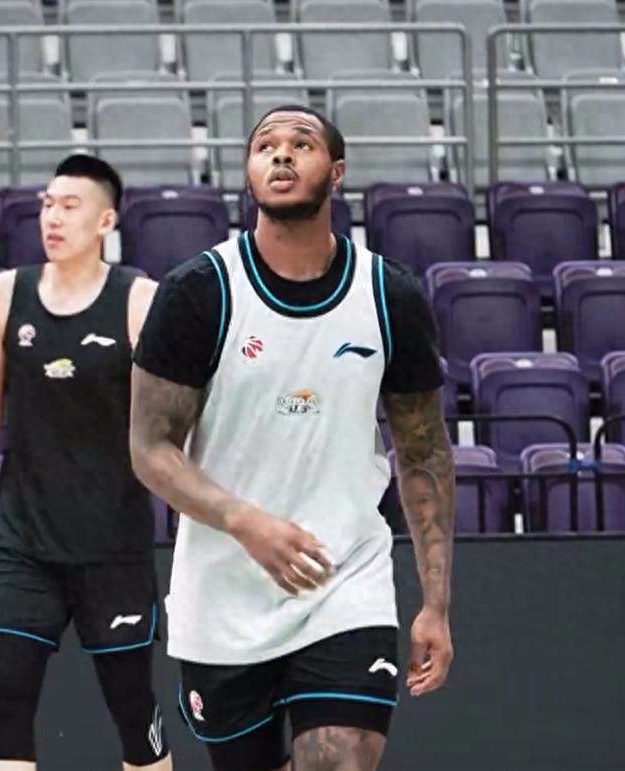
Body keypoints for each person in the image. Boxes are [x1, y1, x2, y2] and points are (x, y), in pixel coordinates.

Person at [130, 105, 455, 771]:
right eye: (265, 146)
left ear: (336, 172)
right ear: (248, 174)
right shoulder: (199, 292)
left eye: (300, 143)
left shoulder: (387, 294)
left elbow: (423, 452)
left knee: (336, 759)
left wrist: (435, 603)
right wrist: (245, 521)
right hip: (224, 592)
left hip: (344, 581)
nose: (280, 155)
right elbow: (149, 449)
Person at [0, 154, 173, 771]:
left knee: (134, 710)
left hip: (113, 544)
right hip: (24, 541)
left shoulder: (139, 299)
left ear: (105, 221)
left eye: (70, 206)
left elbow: (176, 416)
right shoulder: (5, 294)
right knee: (6, 701)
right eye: (48, 204)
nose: (52, 217)